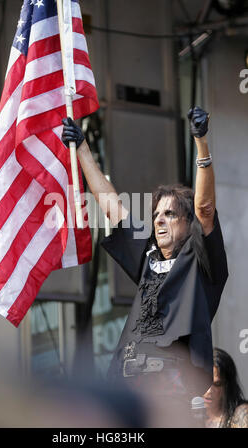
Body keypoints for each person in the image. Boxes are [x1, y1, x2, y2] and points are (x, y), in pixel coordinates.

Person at [61, 106, 228, 427]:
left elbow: (205, 208)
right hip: (127, 384)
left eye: (170, 214)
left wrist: (201, 142)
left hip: (171, 389)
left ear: (187, 223)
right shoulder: (149, 256)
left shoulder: (201, 264)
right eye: (156, 215)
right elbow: (111, 206)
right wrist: (82, 148)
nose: (160, 221)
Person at [204, 347, 248, 428]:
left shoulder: (242, 414)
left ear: (227, 386)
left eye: (217, 384)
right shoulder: (189, 414)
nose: (209, 390)